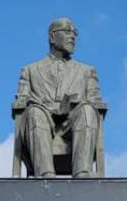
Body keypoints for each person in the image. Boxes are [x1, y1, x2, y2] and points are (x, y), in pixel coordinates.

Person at [13, 17, 104, 177]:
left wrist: (77, 104)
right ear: (52, 37)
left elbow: (96, 102)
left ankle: (82, 174)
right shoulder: (30, 70)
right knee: (34, 112)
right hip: (42, 122)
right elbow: (21, 101)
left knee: (87, 110)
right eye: (67, 31)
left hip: (73, 124)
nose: (72, 36)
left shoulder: (86, 71)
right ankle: (45, 177)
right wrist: (39, 104)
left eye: (75, 33)